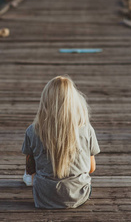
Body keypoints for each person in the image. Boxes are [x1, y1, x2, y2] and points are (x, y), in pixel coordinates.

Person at [21, 76, 100, 209]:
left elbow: (30, 169)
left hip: (43, 196)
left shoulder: (32, 131)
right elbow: (91, 168)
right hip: (79, 195)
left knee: (32, 168)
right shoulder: (86, 129)